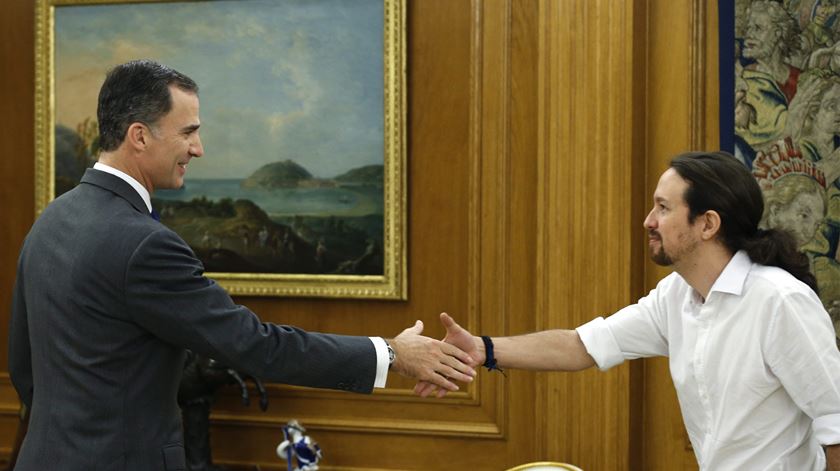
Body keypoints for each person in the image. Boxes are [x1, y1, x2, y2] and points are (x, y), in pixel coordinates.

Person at [8, 60, 475, 471]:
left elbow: (24, 366)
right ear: (139, 136)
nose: (199, 149)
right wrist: (392, 353)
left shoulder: (51, 219)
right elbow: (256, 346)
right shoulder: (144, 244)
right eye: (189, 132)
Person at [418, 152, 840, 470]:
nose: (648, 221)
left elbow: (836, 425)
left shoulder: (780, 301)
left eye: (663, 207)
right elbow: (580, 346)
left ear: (707, 224)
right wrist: (481, 347)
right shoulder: (675, 295)